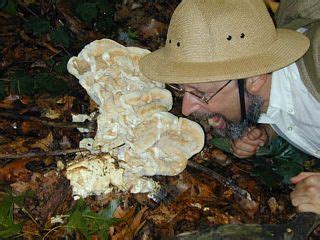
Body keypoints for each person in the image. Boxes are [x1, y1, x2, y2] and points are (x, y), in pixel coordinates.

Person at [139, 0, 320, 214]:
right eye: (181, 89)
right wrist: (267, 132)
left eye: (201, 93)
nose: (187, 108)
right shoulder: (266, 89)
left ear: (253, 79)